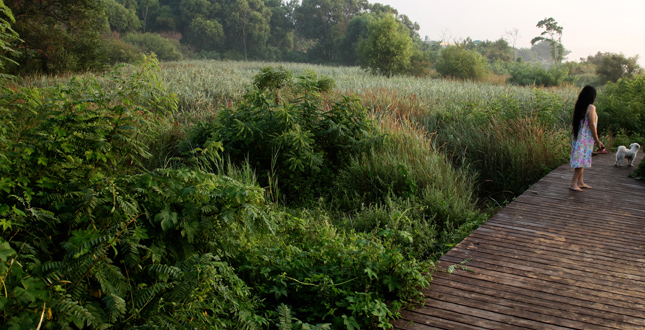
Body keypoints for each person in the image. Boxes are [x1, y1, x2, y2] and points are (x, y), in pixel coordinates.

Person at [570, 85, 604, 192]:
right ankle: (573, 183)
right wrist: (597, 140)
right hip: (585, 138)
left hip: (579, 137)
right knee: (581, 160)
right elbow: (592, 125)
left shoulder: (580, 106)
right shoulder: (591, 107)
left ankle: (580, 182)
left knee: (583, 159)